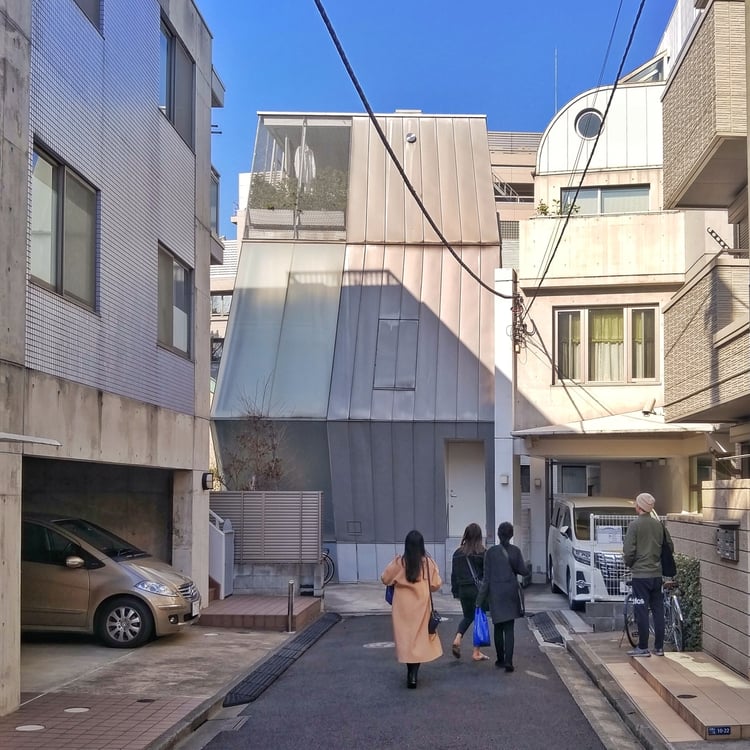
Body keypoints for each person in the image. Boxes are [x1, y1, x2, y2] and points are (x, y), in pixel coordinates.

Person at [381, 530, 443, 688]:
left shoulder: (399, 563)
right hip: (421, 606)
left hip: (402, 607)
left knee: (406, 640)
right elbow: (436, 584)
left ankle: (411, 673)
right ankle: (413, 674)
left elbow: (385, 578)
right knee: (418, 640)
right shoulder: (428, 563)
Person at [623, 492, 674, 656]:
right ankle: (659, 647)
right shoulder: (659, 525)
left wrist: (630, 564)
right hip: (656, 575)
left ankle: (643, 647)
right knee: (658, 610)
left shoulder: (634, 525)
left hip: (640, 576)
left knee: (641, 609)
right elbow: (670, 547)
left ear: (639, 506)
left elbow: (628, 551)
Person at [476, 521, 530, 672]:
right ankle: (509, 661)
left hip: (495, 593)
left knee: (498, 627)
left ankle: (500, 659)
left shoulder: (490, 553)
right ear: (511, 535)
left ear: (499, 534)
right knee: (509, 628)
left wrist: (479, 600)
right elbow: (524, 571)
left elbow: (486, 579)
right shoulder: (515, 551)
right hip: (510, 592)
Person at [450, 522, 489, 661]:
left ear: (466, 535)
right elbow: (487, 574)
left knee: (467, 616)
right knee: (478, 617)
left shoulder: (457, 553)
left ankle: (458, 637)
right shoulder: (483, 553)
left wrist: (455, 592)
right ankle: (476, 652)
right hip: (478, 591)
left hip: (463, 590)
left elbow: (454, 575)